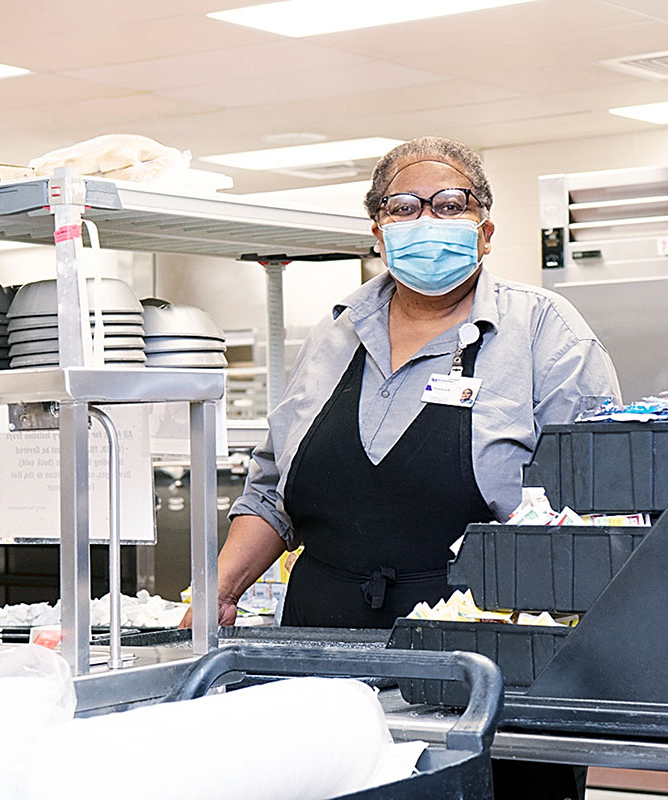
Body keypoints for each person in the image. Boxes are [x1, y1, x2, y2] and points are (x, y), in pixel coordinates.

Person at [180, 136, 620, 799]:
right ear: (378, 234)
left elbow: (598, 507)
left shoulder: (545, 332)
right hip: (320, 662)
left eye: (450, 204)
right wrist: (219, 589)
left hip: (483, 668)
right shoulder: (334, 335)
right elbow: (273, 490)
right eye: (404, 207)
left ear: (486, 229)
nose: (428, 220)